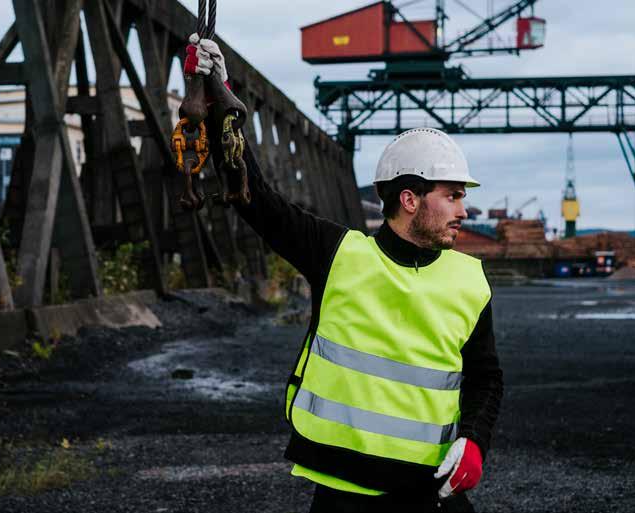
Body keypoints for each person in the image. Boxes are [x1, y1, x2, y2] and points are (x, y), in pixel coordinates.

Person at [184, 35, 504, 513]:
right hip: (343, 494)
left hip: (431, 492)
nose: (463, 207)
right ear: (410, 199)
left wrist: (474, 441)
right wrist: (217, 100)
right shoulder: (339, 254)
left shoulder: (470, 281)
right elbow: (257, 201)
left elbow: (486, 378)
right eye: (453, 195)